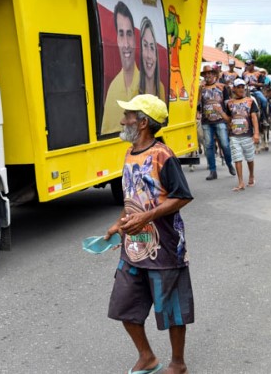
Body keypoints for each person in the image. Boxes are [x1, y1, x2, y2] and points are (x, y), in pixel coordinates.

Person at [104, 94, 193, 374]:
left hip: (165, 247)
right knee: (124, 305)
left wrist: (146, 216)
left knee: (172, 309)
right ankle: (147, 357)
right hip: (133, 247)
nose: (123, 121)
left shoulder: (163, 155)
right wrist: (119, 223)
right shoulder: (129, 153)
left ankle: (178, 363)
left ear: (142, 123)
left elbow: (182, 196)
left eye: (128, 116)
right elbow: (132, 196)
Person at [101, 2, 140, 135]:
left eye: (129, 34)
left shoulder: (149, 84)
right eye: (121, 34)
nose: (126, 44)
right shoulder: (112, 90)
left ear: (134, 38)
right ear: (117, 39)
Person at [198, 64, 234, 180]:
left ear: (214, 74)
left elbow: (228, 103)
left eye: (210, 73)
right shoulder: (201, 88)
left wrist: (229, 118)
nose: (207, 75)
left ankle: (229, 164)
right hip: (206, 121)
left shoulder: (222, 87)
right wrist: (199, 92)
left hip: (220, 119)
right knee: (208, 146)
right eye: (205, 74)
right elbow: (198, 104)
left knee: (225, 144)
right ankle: (212, 171)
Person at [224, 79, 259, 191]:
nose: (241, 89)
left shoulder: (250, 101)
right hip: (234, 135)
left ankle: (251, 175)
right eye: (238, 87)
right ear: (233, 89)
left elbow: (254, 117)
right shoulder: (229, 103)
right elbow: (229, 119)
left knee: (249, 158)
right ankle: (240, 182)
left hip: (247, 135)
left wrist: (256, 133)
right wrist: (220, 112)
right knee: (237, 158)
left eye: (242, 87)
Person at [138, 17, 165, 101]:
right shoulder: (134, 90)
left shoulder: (161, 89)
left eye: (152, 47)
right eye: (145, 46)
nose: (149, 55)